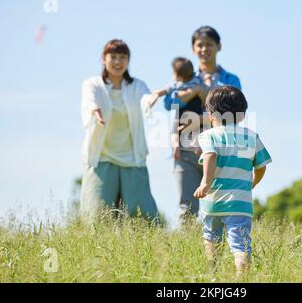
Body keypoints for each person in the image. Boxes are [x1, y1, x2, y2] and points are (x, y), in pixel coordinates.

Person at [194, 86, 272, 277]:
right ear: (243, 115)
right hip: (240, 202)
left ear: (210, 114)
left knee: (212, 239)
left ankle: (213, 277)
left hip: (213, 200)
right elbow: (261, 165)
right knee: (240, 244)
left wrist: (205, 183)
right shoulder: (250, 137)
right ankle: (241, 278)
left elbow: (211, 155)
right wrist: (253, 183)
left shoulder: (208, 135)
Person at [80, 39, 160, 223]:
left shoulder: (137, 85)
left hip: (132, 159)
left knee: (142, 216)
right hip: (101, 157)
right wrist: (96, 111)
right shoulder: (93, 84)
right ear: (103, 58)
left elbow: (145, 98)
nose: (118, 62)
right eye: (113, 57)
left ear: (128, 60)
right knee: (97, 216)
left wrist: (153, 97)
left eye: (122, 57)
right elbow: (89, 100)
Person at [172, 26, 242, 224]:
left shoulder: (231, 80)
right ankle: (188, 249)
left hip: (222, 148)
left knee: (220, 202)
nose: (204, 49)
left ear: (219, 46)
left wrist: (196, 115)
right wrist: (193, 91)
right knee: (187, 206)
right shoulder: (185, 78)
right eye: (200, 45)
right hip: (187, 147)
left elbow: (234, 112)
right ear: (193, 48)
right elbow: (170, 103)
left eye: (209, 44)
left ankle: (217, 247)